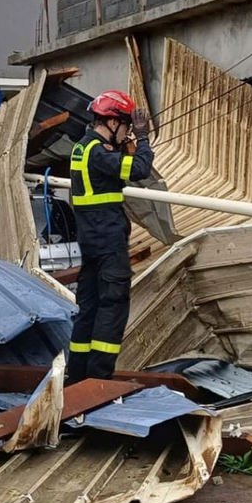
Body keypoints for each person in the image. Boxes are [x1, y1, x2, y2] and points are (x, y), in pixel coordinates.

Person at [67, 91, 154, 383]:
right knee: (112, 310)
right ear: (113, 122)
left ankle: (77, 380)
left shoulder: (82, 147)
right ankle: (99, 383)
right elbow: (140, 169)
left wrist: (122, 146)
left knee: (88, 311)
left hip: (90, 244)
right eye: (126, 125)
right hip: (109, 244)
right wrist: (143, 139)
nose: (128, 131)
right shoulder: (98, 152)